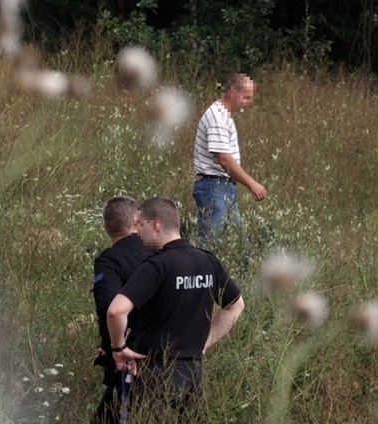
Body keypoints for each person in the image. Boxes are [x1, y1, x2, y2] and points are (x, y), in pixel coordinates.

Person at [107, 197, 245, 421]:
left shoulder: (156, 265)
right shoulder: (208, 261)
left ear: (156, 225)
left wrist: (118, 348)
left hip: (155, 372)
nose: (139, 235)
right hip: (193, 372)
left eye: (141, 226)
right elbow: (236, 305)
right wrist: (204, 343)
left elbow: (116, 310)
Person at [91, 196, 150, 424]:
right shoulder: (161, 252)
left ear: (106, 226)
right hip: (175, 355)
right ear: (138, 222)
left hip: (129, 357)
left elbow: (109, 307)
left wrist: (113, 347)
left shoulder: (110, 261)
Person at [192, 72, 267, 241]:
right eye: (246, 97)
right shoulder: (217, 117)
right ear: (233, 91)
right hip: (214, 187)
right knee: (211, 244)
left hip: (223, 187)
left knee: (239, 246)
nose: (249, 103)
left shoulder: (224, 116)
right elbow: (223, 159)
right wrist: (252, 184)